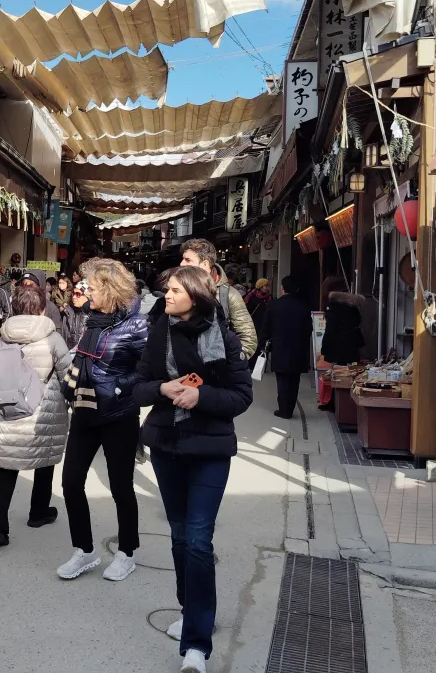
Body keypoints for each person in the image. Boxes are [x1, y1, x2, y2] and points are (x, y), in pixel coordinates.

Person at [133, 266, 253, 673]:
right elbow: (138, 387)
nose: (166, 295)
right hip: (167, 446)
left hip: (210, 450)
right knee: (181, 536)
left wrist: (200, 397)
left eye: (173, 290)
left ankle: (196, 648)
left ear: (196, 296)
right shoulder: (158, 334)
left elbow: (241, 396)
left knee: (199, 539)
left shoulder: (226, 339)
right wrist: (162, 389)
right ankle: (191, 610)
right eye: (166, 290)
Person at [57, 258, 149, 582]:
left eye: (92, 287)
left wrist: (119, 386)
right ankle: (84, 550)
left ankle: (127, 553)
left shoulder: (138, 325)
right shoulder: (91, 320)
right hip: (84, 409)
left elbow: (149, 370)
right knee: (71, 482)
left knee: (121, 487)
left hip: (119, 414)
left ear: (109, 289)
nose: (86, 292)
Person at [0, 287, 71, 547]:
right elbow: (67, 373)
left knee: (7, 463)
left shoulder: (5, 336)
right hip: (43, 406)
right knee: (44, 459)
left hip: (11, 405)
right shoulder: (52, 337)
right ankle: (38, 512)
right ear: (42, 309)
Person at [148, 240, 257, 358]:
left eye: (188, 260)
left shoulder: (228, 294)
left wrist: (230, 362)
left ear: (204, 264)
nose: (182, 264)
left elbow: (248, 339)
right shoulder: (175, 288)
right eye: (183, 259)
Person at [260, 276, 312, 419]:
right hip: (298, 349)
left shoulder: (274, 305)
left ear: (282, 288)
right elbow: (308, 330)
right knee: (294, 381)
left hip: (279, 347)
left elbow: (266, 327)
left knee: (282, 380)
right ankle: (290, 408)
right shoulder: (303, 306)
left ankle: (283, 409)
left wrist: (263, 344)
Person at [317, 277, 366, 411]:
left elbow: (331, 328)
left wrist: (325, 347)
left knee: (338, 374)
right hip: (352, 344)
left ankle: (336, 404)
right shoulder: (351, 304)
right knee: (348, 374)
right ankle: (340, 403)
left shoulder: (334, 304)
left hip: (339, 345)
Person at [244, 277, 272, 354]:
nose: (267, 288)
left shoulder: (269, 297)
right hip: (253, 326)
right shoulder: (252, 297)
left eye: (268, 286)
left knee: (262, 350)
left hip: (265, 327)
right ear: (260, 287)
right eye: (266, 286)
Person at [61, 278, 91, 349]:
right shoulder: (68, 312)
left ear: (87, 296)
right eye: (73, 294)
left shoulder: (94, 315)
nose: (74, 297)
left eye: (78, 294)